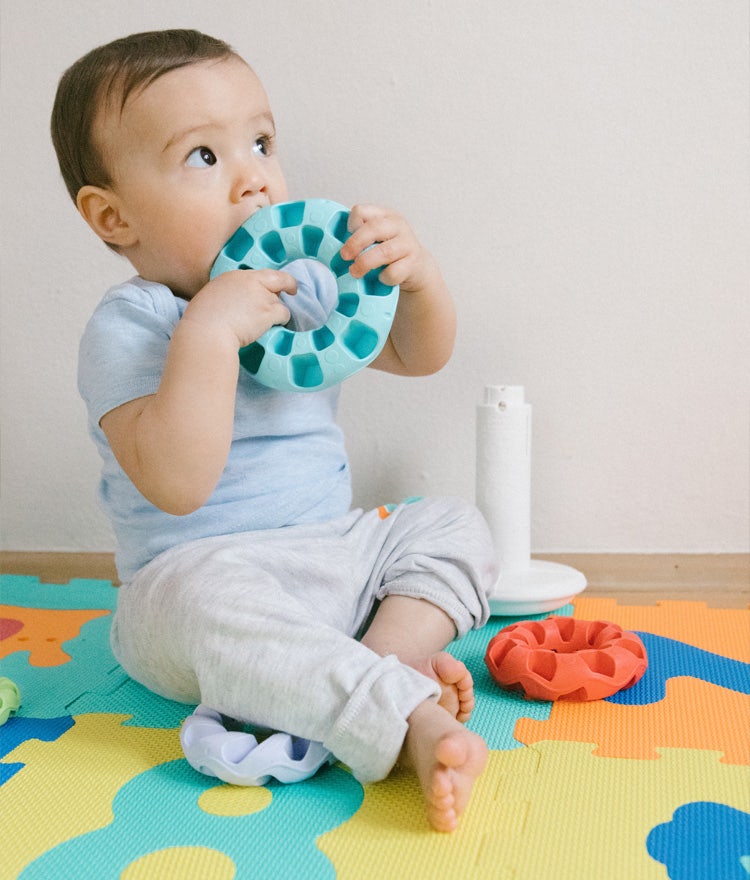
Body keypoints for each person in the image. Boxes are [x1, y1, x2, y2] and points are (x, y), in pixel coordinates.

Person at [51, 29, 497, 832]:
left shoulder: (298, 288)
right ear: (113, 216)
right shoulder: (130, 327)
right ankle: (402, 718)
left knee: (453, 524)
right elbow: (179, 486)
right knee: (201, 605)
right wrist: (209, 337)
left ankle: (380, 660)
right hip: (197, 583)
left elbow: (414, 353)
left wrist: (418, 278)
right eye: (203, 157)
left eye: (260, 142)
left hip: (332, 555)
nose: (253, 178)